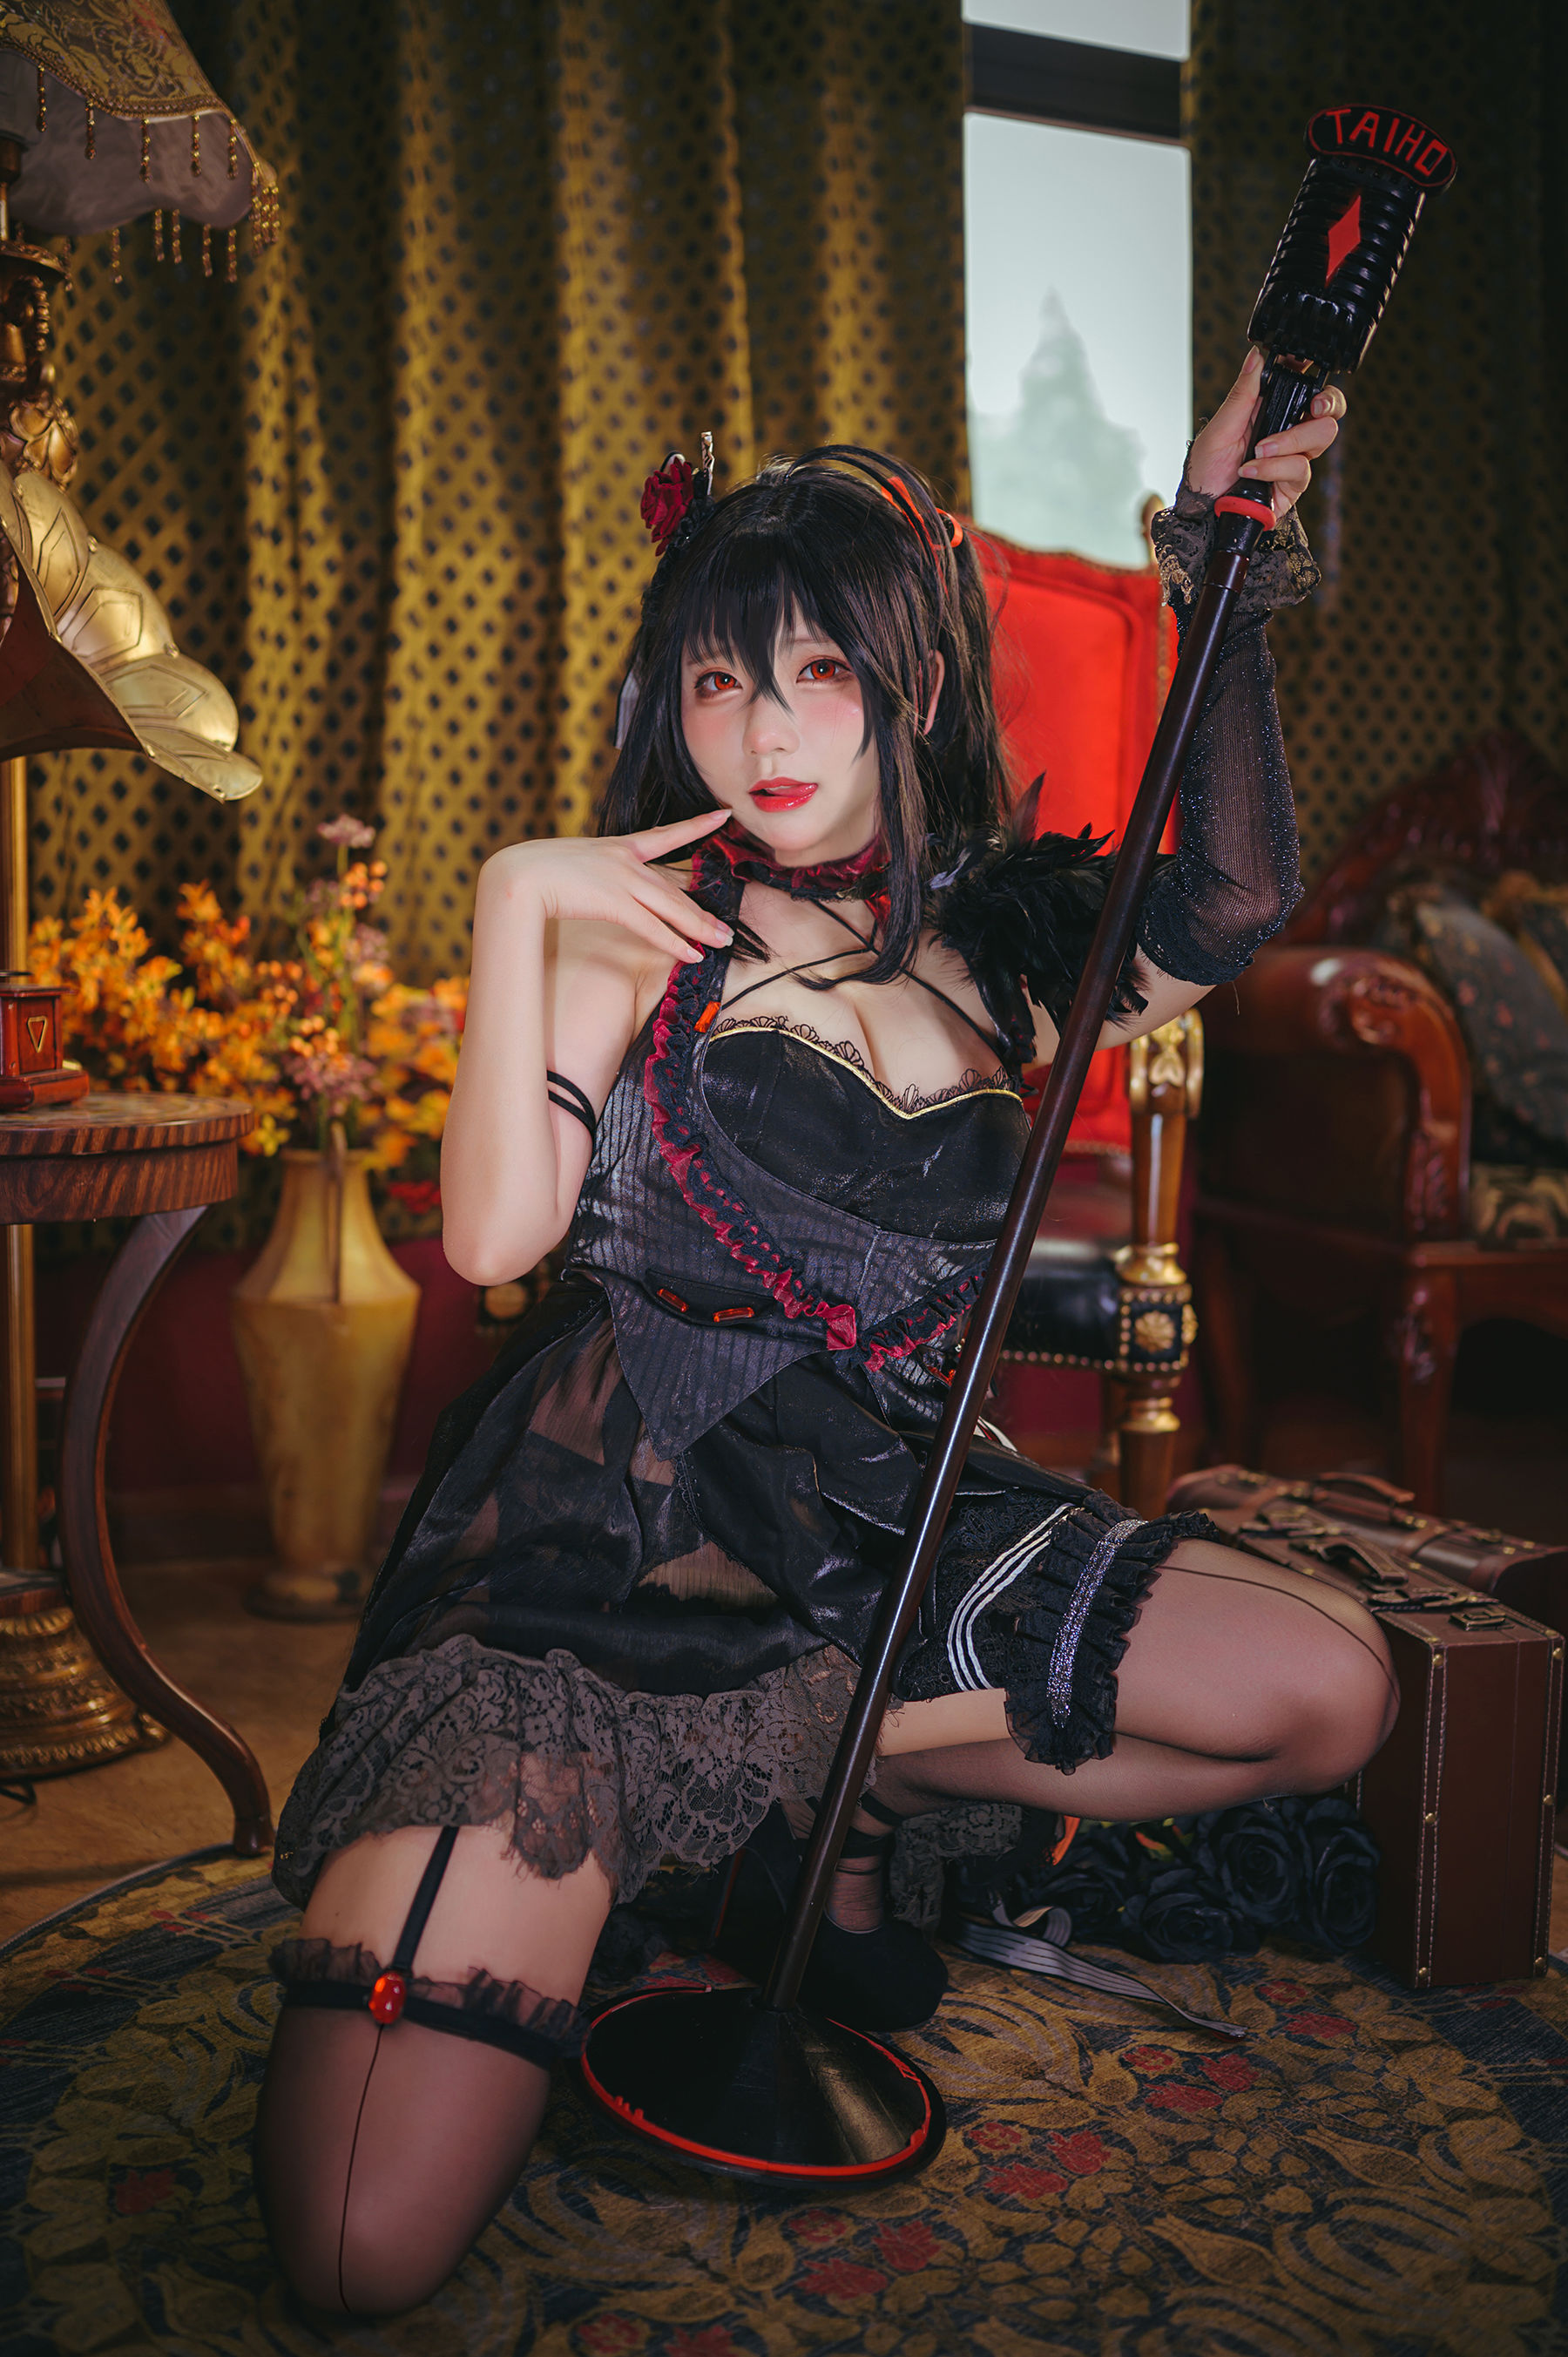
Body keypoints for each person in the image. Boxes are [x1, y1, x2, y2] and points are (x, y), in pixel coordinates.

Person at [255, 352, 1392, 2315]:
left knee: (1331, 1690)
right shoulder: (636, 918)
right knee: (360, 2237)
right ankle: (729, 1807)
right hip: (620, 1559)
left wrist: (1221, 557)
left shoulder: (1003, 946)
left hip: (897, 1519)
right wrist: (516, 903)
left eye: (818, 672)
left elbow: (1231, 888)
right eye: (720, 680)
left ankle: (845, 1785)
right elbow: (504, 1235)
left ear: (915, 683)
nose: (765, 732)